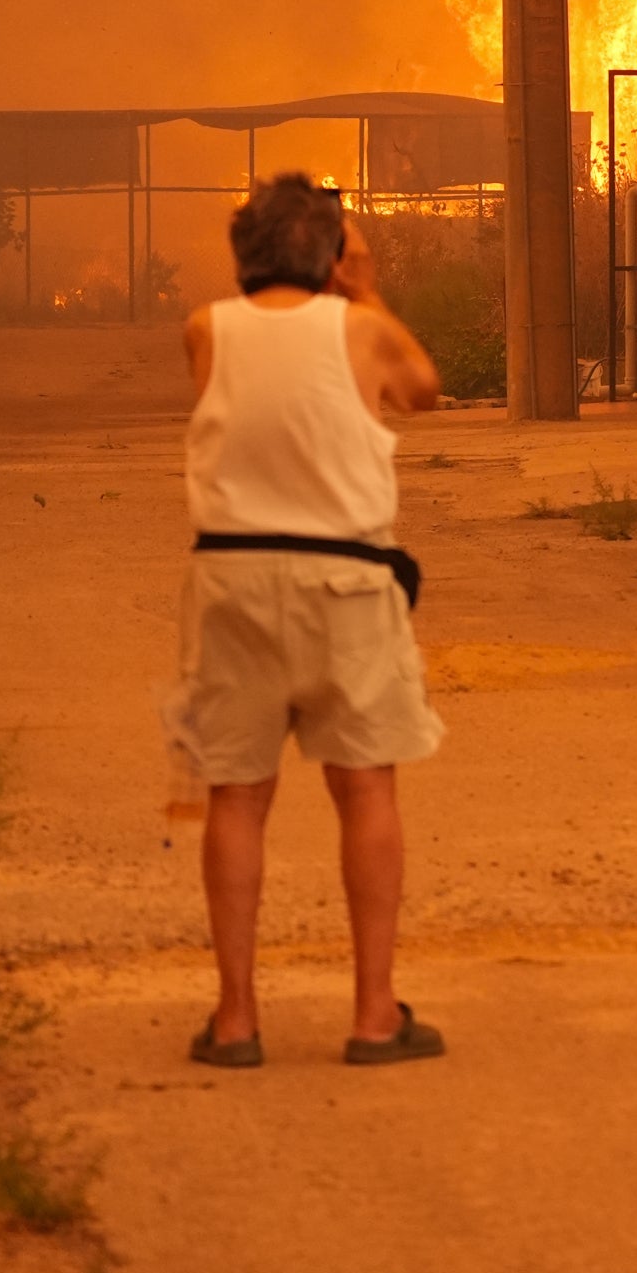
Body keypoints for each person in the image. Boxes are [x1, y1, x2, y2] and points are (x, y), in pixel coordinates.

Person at [168, 173, 448, 1067]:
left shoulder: (207, 329)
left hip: (233, 579)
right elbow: (422, 390)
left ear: (242, 252)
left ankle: (235, 1020)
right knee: (364, 790)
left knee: (236, 795)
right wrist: (363, 286)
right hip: (345, 582)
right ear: (332, 253)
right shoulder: (360, 327)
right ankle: (373, 1016)